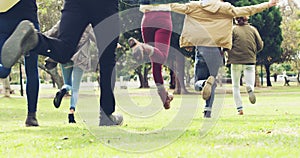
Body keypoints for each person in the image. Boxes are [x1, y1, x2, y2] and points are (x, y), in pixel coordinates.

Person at [1, 0, 123, 126]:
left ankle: (35, 40)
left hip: (75, 3)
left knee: (64, 50)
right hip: (104, 4)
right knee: (107, 57)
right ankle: (106, 115)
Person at [170, 0, 277, 117]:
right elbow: (248, 10)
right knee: (213, 83)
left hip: (201, 49)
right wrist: (267, 4)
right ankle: (208, 111)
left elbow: (175, 7)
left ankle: (204, 83)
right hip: (217, 51)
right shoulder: (225, 8)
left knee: (197, 83)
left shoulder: (195, 6)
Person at [44, 21, 96, 123]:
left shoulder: (64, 20)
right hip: (80, 57)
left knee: (68, 84)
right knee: (75, 88)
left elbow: (51, 32)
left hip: (65, 54)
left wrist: (36, 37)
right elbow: (98, 38)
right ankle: (71, 114)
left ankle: (63, 89)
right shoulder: (87, 25)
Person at [127, 1, 176, 109]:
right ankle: (143, 46)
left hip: (147, 19)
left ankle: (164, 98)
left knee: (156, 61)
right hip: (163, 17)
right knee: (161, 58)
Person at [0, 0, 40, 126]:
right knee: (31, 68)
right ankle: (31, 116)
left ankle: (4, 69)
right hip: (27, 16)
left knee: (4, 68)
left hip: (4, 16)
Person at [227, 16, 264, 115]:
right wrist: (253, 52)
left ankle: (240, 109)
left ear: (236, 19)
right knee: (250, 81)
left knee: (235, 86)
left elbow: (227, 44)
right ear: (247, 19)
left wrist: (226, 52)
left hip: (235, 61)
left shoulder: (232, 29)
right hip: (250, 60)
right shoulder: (253, 29)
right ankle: (250, 87)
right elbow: (260, 45)